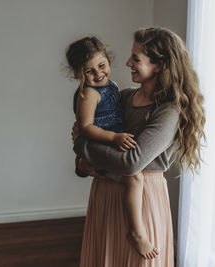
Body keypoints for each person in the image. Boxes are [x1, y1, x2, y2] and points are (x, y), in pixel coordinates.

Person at [72, 27, 205, 267]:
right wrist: (82, 162)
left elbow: (131, 162)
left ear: (159, 65)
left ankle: (137, 232)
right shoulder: (122, 98)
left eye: (136, 58)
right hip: (105, 196)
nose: (127, 62)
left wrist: (81, 143)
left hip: (143, 200)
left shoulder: (168, 111)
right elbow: (87, 150)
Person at [66, 36, 159, 259]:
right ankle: (136, 231)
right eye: (89, 71)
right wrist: (114, 138)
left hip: (113, 141)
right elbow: (85, 127)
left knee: (132, 178)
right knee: (135, 178)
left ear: (108, 60)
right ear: (79, 74)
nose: (98, 74)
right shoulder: (88, 93)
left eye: (101, 65)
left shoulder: (114, 87)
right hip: (102, 143)